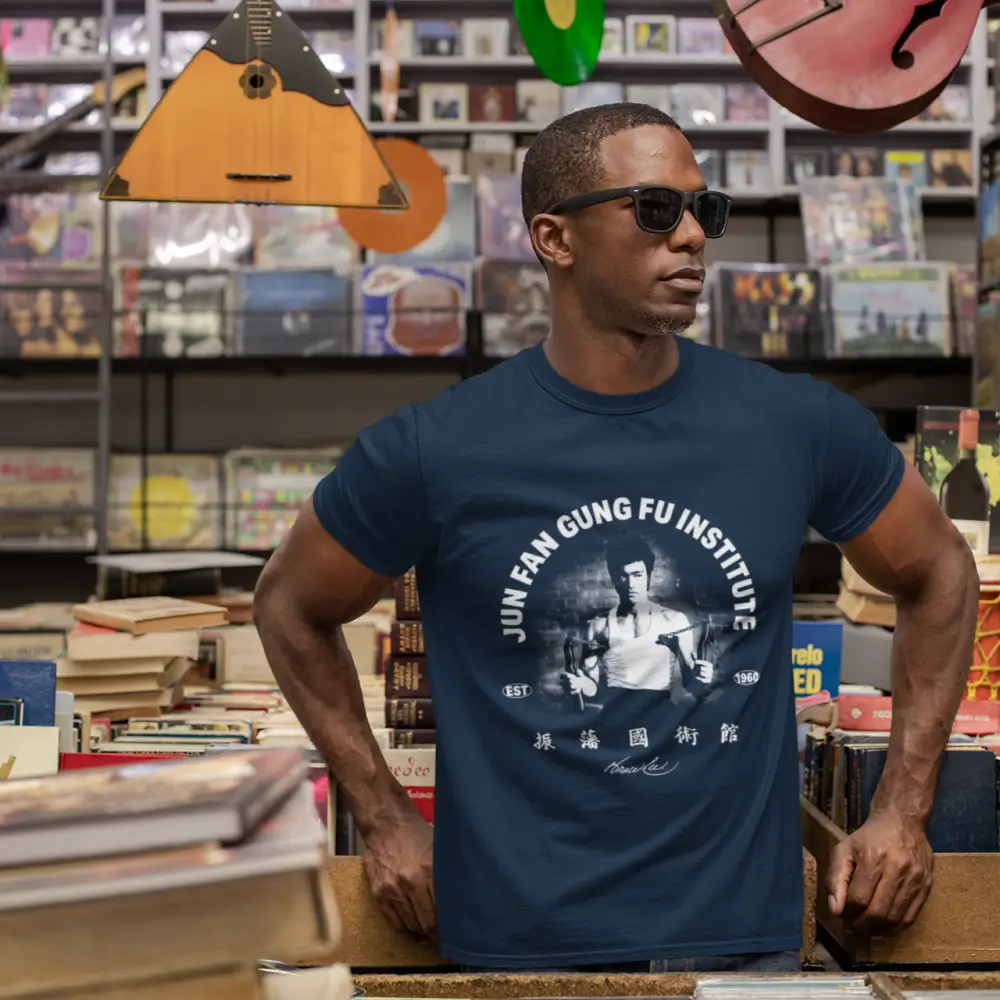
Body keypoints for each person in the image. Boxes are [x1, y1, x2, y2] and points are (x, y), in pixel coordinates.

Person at [253, 103, 978, 973]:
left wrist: (902, 807)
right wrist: (381, 814)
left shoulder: (795, 424)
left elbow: (939, 570)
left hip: (739, 943)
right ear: (554, 239)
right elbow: (290, 605)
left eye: (702, 212)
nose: (691, 239)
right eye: (654, 210)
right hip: (514, 948)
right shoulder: (435, 449)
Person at [560, 534, 712, 708]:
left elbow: (691, 681)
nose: (631, 584)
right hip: (616, 713)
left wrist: (703, 676)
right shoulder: (598, 626)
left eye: (637, 575)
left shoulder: (674, 621)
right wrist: (580, 685)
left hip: (660, 715)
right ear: (613, 578)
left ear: (648, 574)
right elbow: (592, 687)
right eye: (624, 577)